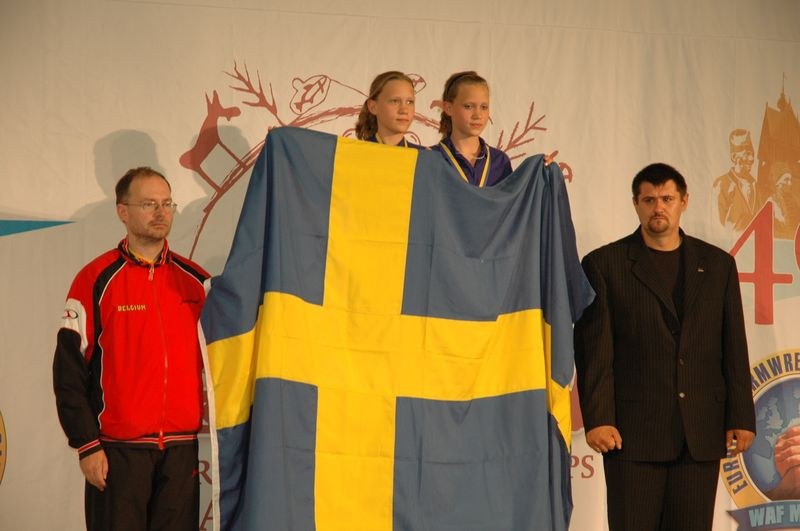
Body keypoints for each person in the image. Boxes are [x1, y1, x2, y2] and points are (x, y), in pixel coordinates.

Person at [574, 162, 756, 531]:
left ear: (684, 201)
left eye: (667, 198)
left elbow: (733, 346)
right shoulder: (604, 264)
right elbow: (595, 351)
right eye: (649, 199)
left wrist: (740, 416)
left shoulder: (718, 265)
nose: (659, 207)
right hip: (631, 435)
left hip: (699, 434)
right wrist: (598, 418)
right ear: (636, 204)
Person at [53, 167, 209, 531]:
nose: (161, 212)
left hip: (181, 451)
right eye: (149, 204)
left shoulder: (197, 282)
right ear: (123, 212)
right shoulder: (95, 279)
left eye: (167, 203)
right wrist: (87, 444)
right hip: (118, 453)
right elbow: (68, 370)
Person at [431, 71, 513, 187]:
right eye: (468, 106)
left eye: (484, 107)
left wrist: (545, 168)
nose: (478, 115)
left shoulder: (499, 162)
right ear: (448, 108)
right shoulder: (431, 158)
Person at [355, 70, 424, 149]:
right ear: (373, 107)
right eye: (395, 101)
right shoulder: (355, 154)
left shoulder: (425, 157)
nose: (404, 110)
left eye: (409, 102)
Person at [713, 128, 764, 230]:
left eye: (752, 153)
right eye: (746, 154)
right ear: (734, 157)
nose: (751, 159)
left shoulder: (756, 186)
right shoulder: (721, 184)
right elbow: (717, 226)